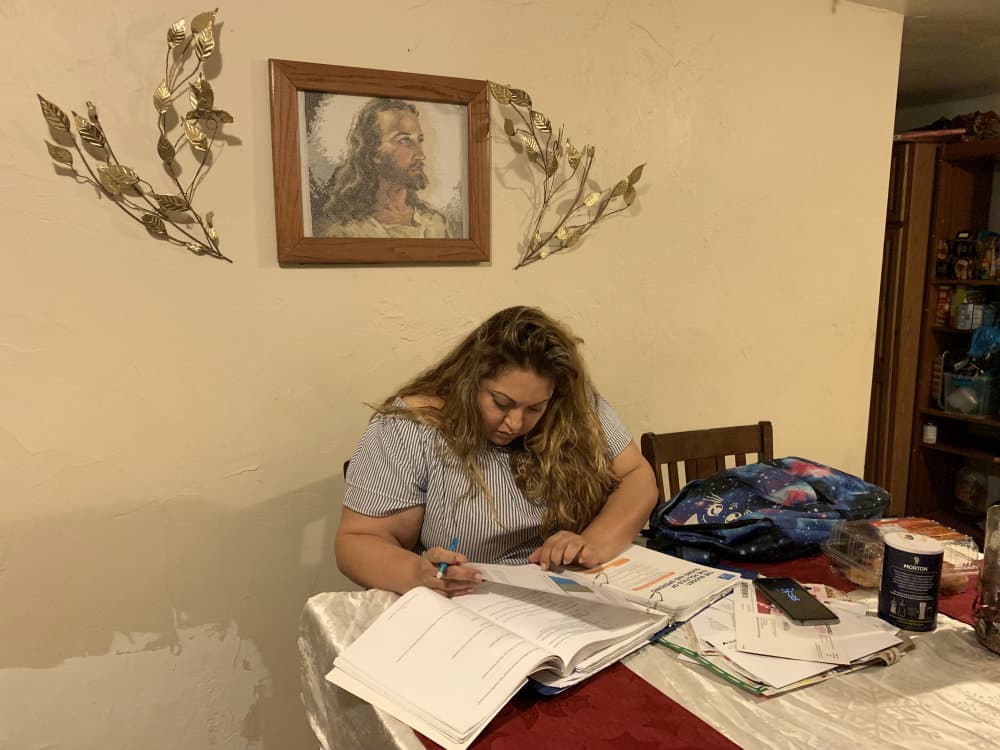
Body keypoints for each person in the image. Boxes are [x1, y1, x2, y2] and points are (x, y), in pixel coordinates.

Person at [335, 306, 658, 597]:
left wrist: (592, 543)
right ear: (469, 381)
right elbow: (357, 541)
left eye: (535, 408)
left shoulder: (573, 405)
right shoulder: (413, 426)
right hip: (467, 601)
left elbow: (637, 476)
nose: (515, 423)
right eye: (501, 403)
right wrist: (414, 573)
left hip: (565, 592)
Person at [315, 98, 453, 239]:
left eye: (420, 140)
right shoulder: (346, 230)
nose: (421, 155)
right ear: (373, 152)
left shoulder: (435, 222)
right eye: (405, 140)